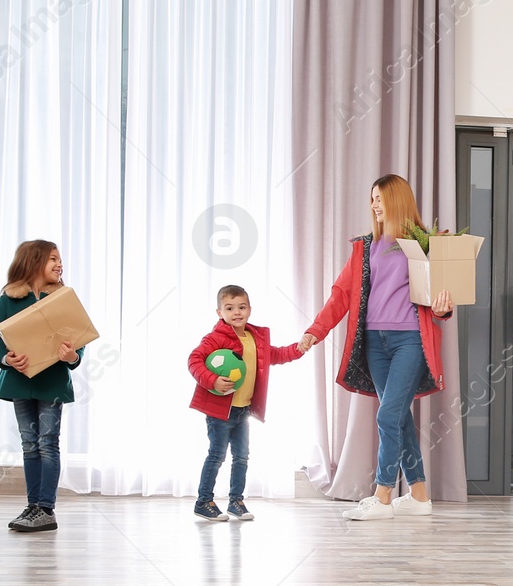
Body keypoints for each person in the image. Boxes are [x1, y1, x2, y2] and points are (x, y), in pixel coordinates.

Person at [299, 174, 454, 520]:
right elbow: (340, 295)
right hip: (374, 342)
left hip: (409, 340)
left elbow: (441, 297)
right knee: (397, 418)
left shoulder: (426, 244)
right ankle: (419, 496)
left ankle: (383, 496)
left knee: (388, 415)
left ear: (397, 200)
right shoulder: (365, 247)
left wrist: (445, 306)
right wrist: (315, 331)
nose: (374, 205)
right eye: (372, 199)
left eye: (380, 198)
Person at [0, 240, 84, 532]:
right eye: (53, 259)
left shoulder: (64, 299)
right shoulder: (9, 298)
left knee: (47, 443)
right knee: (29, 445)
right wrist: (5, 357)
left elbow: (79, 343)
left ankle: (46, 509)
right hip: (20, 380)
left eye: (60, 260)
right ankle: (33, 507)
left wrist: (72, 356)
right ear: (33, 261)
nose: (59, 264)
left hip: (51, 382)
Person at [187, 284, 306, 522]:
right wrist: (212, 381)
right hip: (220, 412)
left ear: (250, 309)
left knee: (241, 456)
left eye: (242, 307)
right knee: (216, 455)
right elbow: (194, 359)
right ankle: (203, 502)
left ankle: (236, 501)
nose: (237, 312)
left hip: (244, 411)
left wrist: (299, 348)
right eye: (229, 308)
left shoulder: (255, 338)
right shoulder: (216, 338)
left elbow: (277, 354)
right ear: (219, 312)